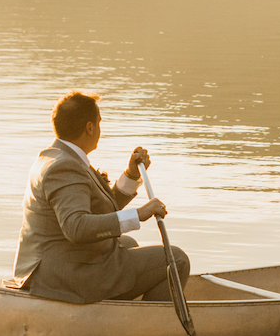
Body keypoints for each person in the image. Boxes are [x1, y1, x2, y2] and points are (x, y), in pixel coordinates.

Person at [13, 91, 191, 304]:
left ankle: (114, 311)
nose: (99, 129)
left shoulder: (55, 156)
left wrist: (132, 175)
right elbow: (77, 227)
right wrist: (138, 214)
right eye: (98, 123)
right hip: (65, 275)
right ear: (90, 127)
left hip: (54, 263)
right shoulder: (65, 167)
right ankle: (147, 326)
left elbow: (99, 208)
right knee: (176, 260)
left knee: (128, 242)